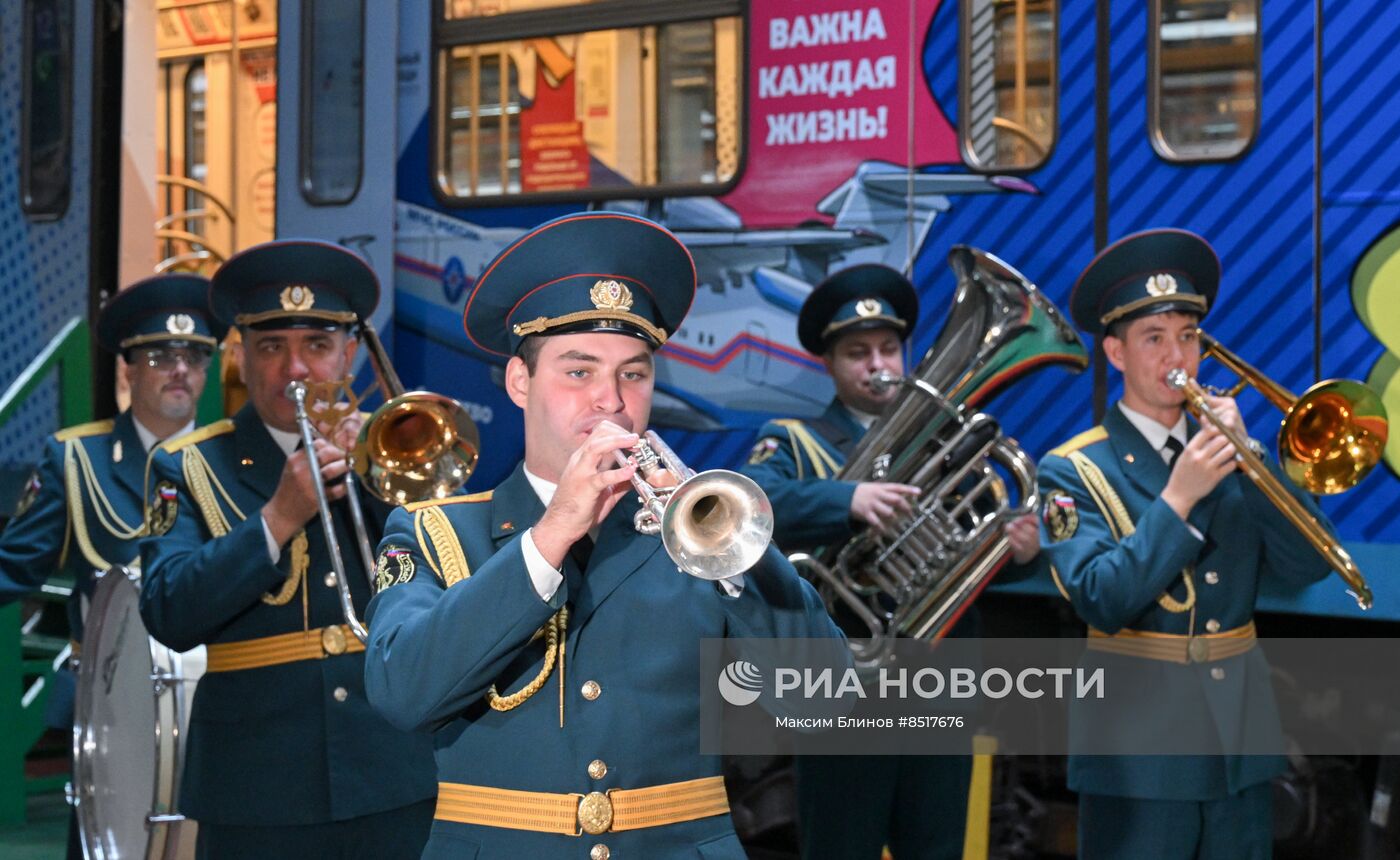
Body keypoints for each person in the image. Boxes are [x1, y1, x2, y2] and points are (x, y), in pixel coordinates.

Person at [362, 211, 843, 860]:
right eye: (579, 372)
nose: (611, 401)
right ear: (519, 381)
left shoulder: (698, 531)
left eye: (634, 374)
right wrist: (553, 531)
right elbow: (401, 692)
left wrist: (734, 550)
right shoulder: (435, 529)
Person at [1036, 228, 1335, 859]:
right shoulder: (1072, 470)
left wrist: (1255, 461)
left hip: (1240, 740)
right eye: (1154, 338)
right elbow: (1100, 599)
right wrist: (1178, 499)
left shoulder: (1233, 461)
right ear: (1115, 353)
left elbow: (1309, 564)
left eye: (1189, 336)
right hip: (1138, 750)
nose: (1178, 356)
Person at [138, 240, 436, 859]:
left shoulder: (394, 453)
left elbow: (451, 587)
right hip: (255, 787)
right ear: (240, 357)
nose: (296, 370)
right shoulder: (186, 465)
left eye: (318, 346)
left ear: (350, 355)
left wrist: (380, 483)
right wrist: (277, 517)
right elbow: (168, 612)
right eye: (273, 347)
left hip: (394, 770)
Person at [739, 264, 1042, 860]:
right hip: (843, 686)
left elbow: (969, 545)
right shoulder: (796, 440)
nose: (878, 364)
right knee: (842, 844)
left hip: (938, 684)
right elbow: (749, 502)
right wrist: (846, 498)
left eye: (888, 349)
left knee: (938, 844)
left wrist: (1018, 549)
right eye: (858, 353)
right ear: (829, 364)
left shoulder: (941, 443)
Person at [0, 273, 222, 858]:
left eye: (194, 356)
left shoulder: (232, 458)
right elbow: (13, 567)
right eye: (160, 356)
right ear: (128, 370)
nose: (179, 369)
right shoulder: (78, 458)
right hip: (111, 701)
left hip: (218, 698)